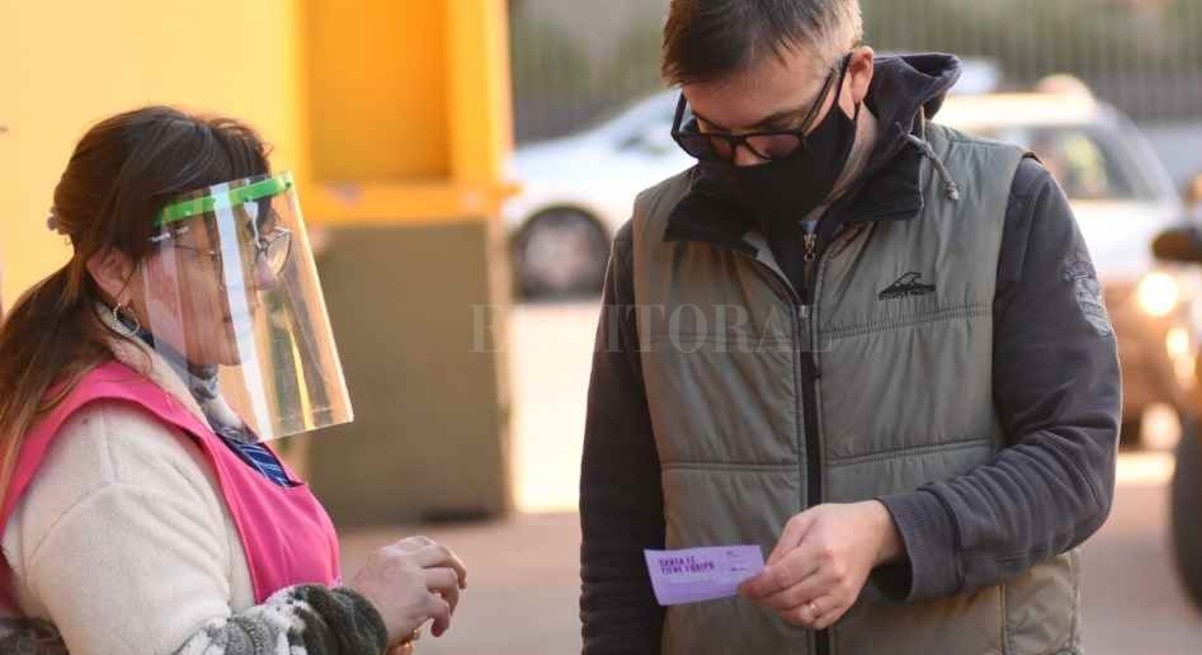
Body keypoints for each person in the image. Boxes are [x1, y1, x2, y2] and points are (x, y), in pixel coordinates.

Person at [580, 1, 1121, 653]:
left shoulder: (1005, 204)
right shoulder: (650, 245)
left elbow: (1074, 465)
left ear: (856, 75)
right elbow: (619, 518)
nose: (745, 164)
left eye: (778, 134)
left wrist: (891, 529)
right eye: (711, 136)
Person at [0, 106, 466, 655]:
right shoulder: (109, 455)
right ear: (114, 268)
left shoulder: (179, 400)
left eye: (261, 243)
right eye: (224, 250)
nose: (264, 276)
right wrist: (359, 615)